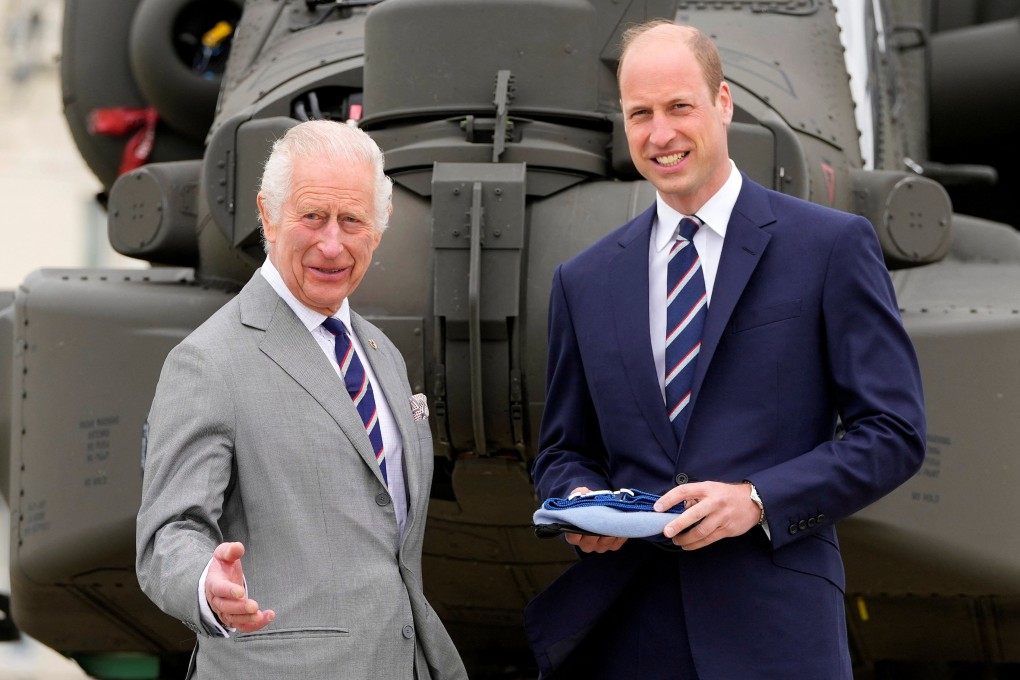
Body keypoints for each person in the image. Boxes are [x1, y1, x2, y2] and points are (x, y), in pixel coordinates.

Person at [524, 20, 926, 679]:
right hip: (630, 637)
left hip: (779, 636)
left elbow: (894, 432)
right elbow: (563, 450)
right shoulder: (583, 280)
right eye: (640, 114)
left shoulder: (830, 247)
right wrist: (582, 501)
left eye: (679, 107)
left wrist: (759, 499)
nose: (660, 134)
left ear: (723, 102)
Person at [136, 120, 467, 680]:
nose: (332, 245)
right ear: (267, 215)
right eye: (312, 216)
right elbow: (169, 533)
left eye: (352, 220)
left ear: (379, 228)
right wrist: (206, 585)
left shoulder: (382, 355)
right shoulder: (208, 361)